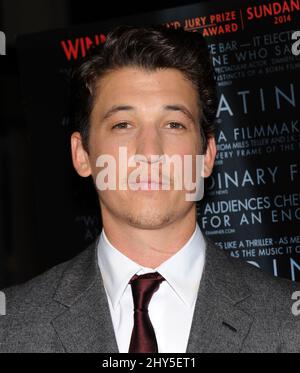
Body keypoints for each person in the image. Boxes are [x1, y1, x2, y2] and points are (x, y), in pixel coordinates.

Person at [0, 25, 299, 353]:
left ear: (207, 155)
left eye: (174, 124)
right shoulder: (11, 328)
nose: (149, 152)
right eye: (122, 125)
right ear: (82, 154)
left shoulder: (290, 322)